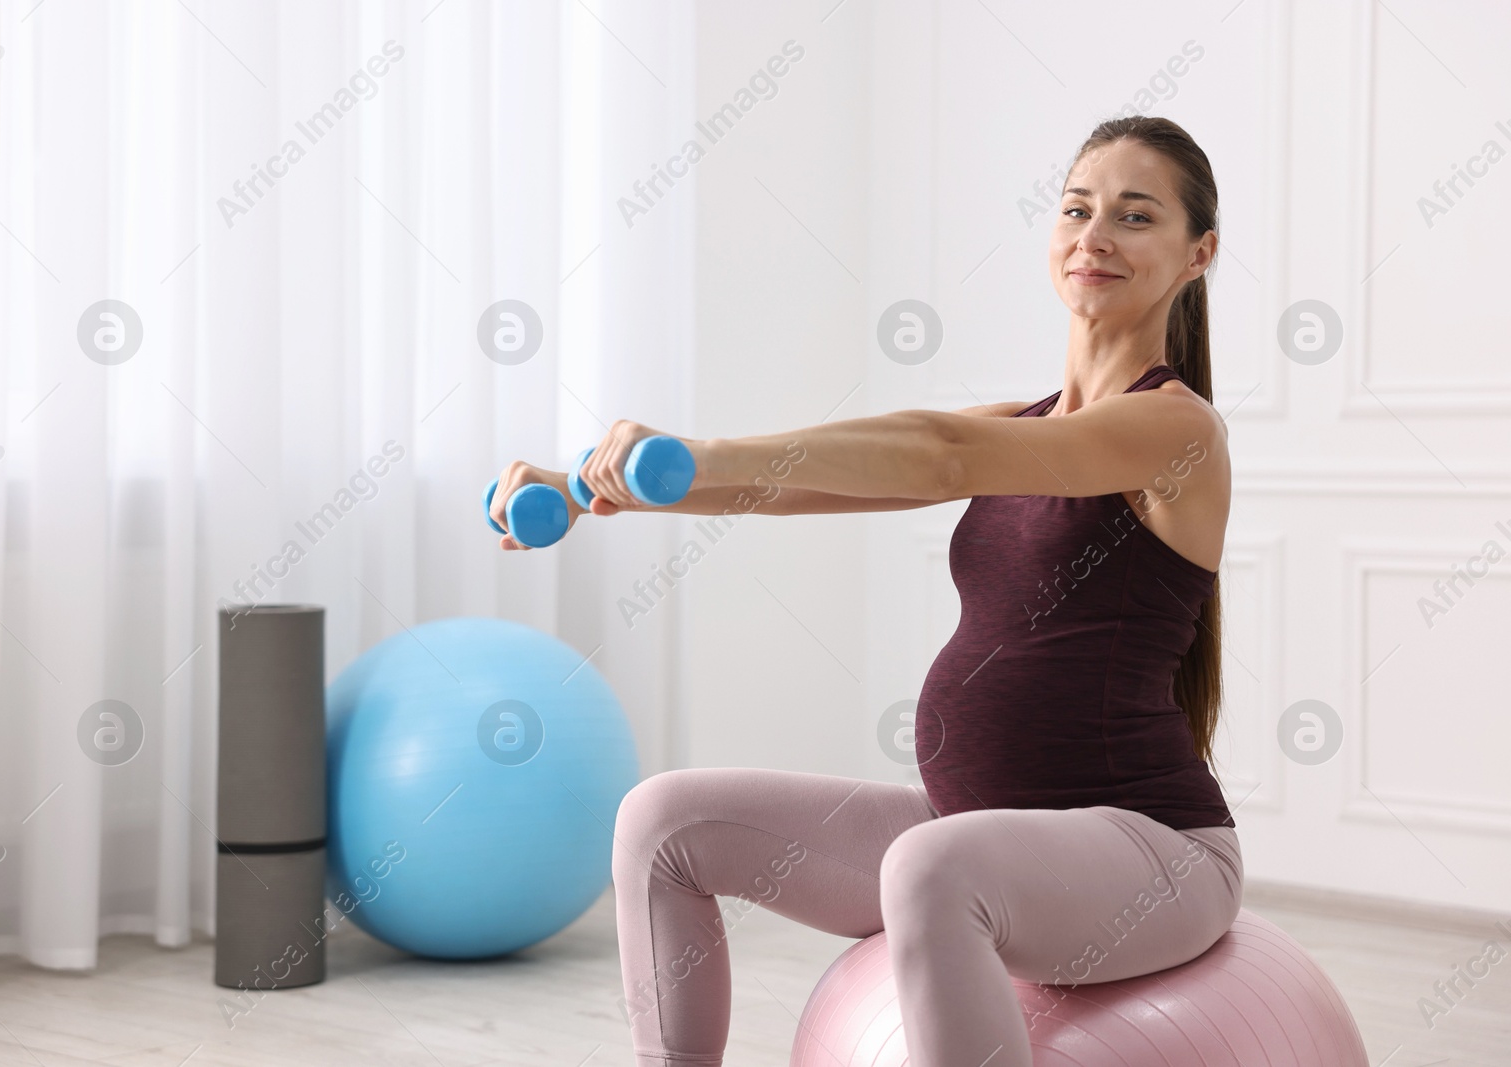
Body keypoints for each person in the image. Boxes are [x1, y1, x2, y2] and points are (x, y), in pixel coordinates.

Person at [488, 115, 1241, 1067]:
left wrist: (699, 457)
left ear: (1196, 254)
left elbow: (939, 453)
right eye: (1076, 209)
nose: (1093, 236)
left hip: (1153, 853)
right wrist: (605, 485)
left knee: (929, 867)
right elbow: (810, 480)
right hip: (970, 830)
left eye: (1135, 217)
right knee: (662, 820)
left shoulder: (1178, 432)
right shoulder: (1027, 421)